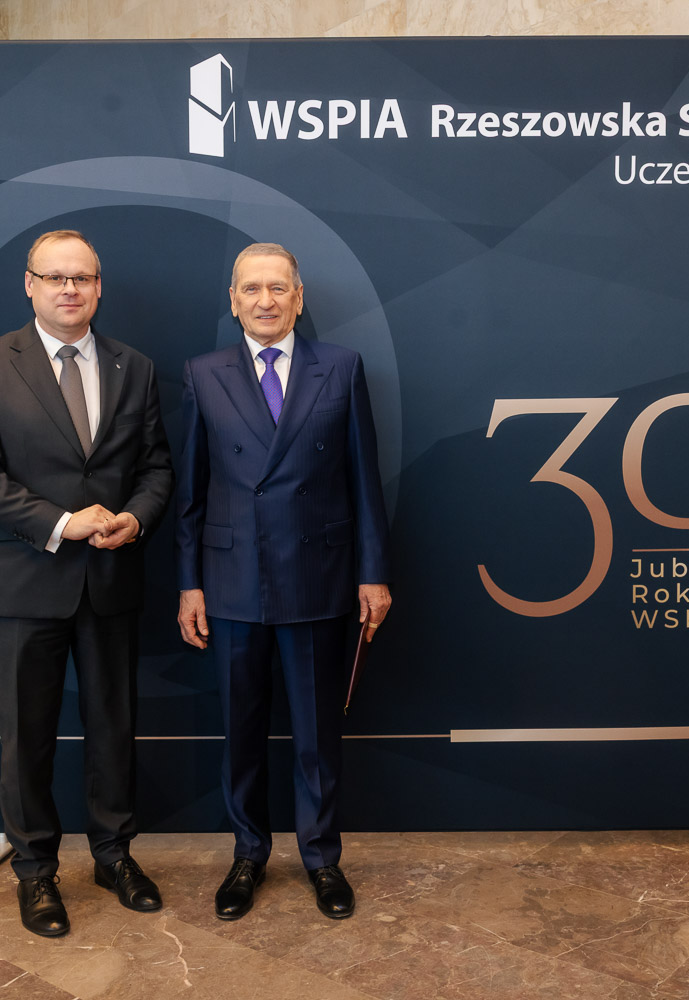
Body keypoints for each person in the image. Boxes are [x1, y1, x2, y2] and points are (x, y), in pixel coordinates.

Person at [0, 229, 174, 937]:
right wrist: (60, 523)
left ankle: (114, 857)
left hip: (111, 578)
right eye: (55, 277)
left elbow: (156, 467)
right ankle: (36, 872)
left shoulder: (135, 367)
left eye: (82, 277)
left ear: (99, 286)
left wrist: (136, 519)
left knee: (114, 730)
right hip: (25, 580)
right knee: (28, 738)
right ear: (30, 285)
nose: (69, 289)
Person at [175, 242, 393, 921]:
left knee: (317, 736)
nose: (264, 300)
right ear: (233, 300)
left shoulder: (342, 367)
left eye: (277, 288)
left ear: (299, 298)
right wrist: (188, 583)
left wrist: (373, 573)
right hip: (231, 580)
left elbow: (364, 480)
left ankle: (321, 859)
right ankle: (248, 854)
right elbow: (190, 492)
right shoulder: (203, 373)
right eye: (251, 288)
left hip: (318, 577)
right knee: (240, 731)